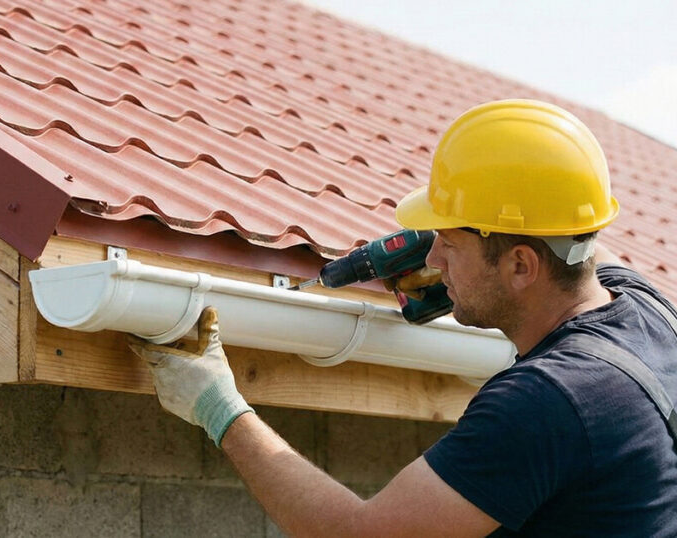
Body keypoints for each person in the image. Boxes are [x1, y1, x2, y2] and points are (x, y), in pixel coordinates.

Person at [129, 100, 677, 536]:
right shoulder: (649, 311)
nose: (433, 261)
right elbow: (577, 245)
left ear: (520, 265)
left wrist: (219, 408)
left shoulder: (547, 402)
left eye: (449, 247)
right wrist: (467, 254)